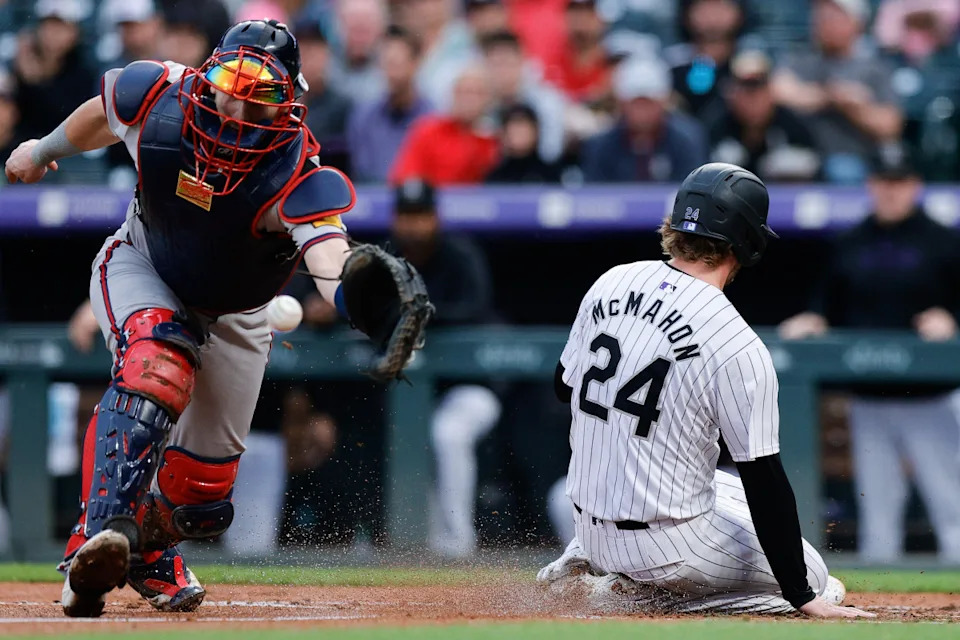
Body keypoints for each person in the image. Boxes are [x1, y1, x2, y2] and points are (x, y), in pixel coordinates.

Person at [4, 19, 428, 617]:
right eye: (233, 81)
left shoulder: (298, 172)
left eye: (264, 93)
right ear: (209, 75)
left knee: (199, 498)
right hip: (142, 264)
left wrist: (359, 294)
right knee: (157, 361)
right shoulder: (155, 93)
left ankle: (143, 553)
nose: (239, 104)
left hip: (238, 311)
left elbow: (330, 258)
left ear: (291, 103)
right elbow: (102, 112)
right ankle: (96, 539)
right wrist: (43, 149)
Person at [536, 162, 873, 618]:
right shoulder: (735, 341)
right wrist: (802, 596)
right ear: (747, 242)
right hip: (670, 549)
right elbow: (764, 479)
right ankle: (636, 598)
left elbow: (563, 387)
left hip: (587, 526)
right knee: (819, 579)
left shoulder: (610, 281)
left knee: (709, 476)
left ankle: (592, 563)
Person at [779, 142, 960, 563]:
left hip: (931, 397)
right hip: (870, 397)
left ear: (915, 186)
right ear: (871, 185)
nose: (891, 191)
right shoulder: (851, 241)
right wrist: (815, 319)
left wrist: (952, 319)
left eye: (899, 182)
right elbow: (829, 305)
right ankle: (885, 608)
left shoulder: (944, 241)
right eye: (883, 182)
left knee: (950, 503)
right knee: (878, 511)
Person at [387, 178, 500, 558]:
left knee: (447, 433)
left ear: (435, 218)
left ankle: (456, 544)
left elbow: (473, 308)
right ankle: (403, 543)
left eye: (421, 216)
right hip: (409, 390)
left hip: (469, 387)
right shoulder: (385, 260)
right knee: (396, 432)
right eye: (406, 216)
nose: (414, 226)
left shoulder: (460, 255)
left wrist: (420, 313)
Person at [772, 0, 902, 183]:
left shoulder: (875, 68)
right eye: (821, 16)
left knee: (843, 169)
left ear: (857, 23)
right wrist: (835, 95)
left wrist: (856, 108)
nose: (825, 22)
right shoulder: (801, 59)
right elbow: (780, 91)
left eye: (834, 16)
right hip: (801, 151)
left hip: (854, 157)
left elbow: (889, 126)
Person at [580, 55, 707, 183]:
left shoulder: (686, 141)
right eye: (636, 103)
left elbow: (693, 191)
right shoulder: (601, 146)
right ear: (622, 104)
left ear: (663, 103)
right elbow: (594, 194)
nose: (642, 112)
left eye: (648, 103)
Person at [707, 49, 820, 181]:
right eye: (745, 91)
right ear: (732, 94)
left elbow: (814, 162)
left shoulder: (791, 123)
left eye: (759, 89)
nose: (753, 101)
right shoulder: (717, 123)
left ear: (771, 92)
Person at [389, 64, 498, 186]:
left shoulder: (494, 140)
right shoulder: (428, 131)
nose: (469, 100)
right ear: (452, 94)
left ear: (489, 99)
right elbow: (404, 178)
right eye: (463, 92)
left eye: (477, 93)